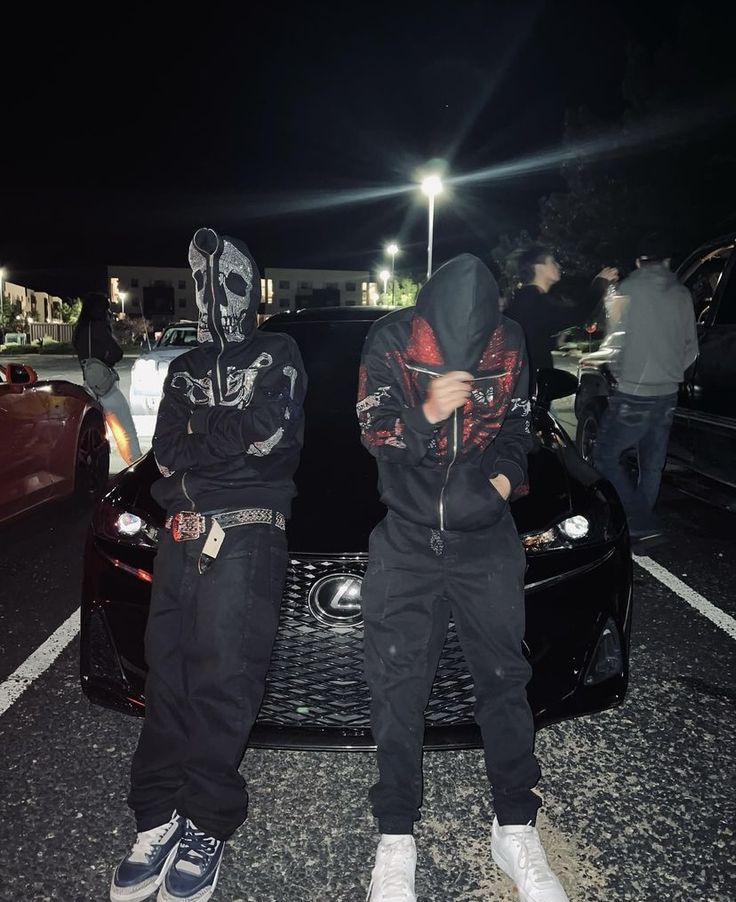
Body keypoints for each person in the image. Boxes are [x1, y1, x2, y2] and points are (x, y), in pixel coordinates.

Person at [357, 253, 569, 902]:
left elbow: (516, 427)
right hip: (408, 539)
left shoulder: (509, 342)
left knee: (506, 681)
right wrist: (424, 412)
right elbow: (372, 430)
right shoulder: (393, 339)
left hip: (486, 542)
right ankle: (397, 837)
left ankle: (514, 827)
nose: (470, 351)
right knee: (398, 687)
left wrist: (504, 482)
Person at [109, 227, 306, 902]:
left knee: (224, 683)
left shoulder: (279, 351)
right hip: (179, 538)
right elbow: (164, 455)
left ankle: (206, 821)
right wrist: (211, 437)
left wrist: (201, 434)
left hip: (246, 536)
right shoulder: (183, 368)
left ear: (255, 286)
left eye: (229, 280)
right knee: (167, 680)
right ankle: (156, 816)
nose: (214, 296)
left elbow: (268, 433)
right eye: (203, 282)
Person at [593, 233, 697, 546]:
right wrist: (671, 372)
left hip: (634, 391)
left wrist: (621, 374)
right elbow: (691, 347)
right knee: (652, 463)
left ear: (639, 261)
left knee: (605, 456)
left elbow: (616, 342)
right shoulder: (681, 293)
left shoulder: (626, 290)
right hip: (668, 391)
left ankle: (641, 522)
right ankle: (641, 526)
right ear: (667, 261)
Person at [504, 245, 618, 381]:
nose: (558, 266)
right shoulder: (534, 301)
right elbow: (578, 314)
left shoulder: (524, 298)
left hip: (524, 377)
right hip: (530, 380)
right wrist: (600, 282)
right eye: (552, 261)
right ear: (538, 267)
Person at [72, 292, 142, 464]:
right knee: (126, 432)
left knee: (100, 436)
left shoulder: (79, 330)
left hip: (89, 387)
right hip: (106, 388)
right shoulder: (99, 327)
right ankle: (136, 468)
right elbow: (117, 352)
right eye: (106, 310)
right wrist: (106, 360)